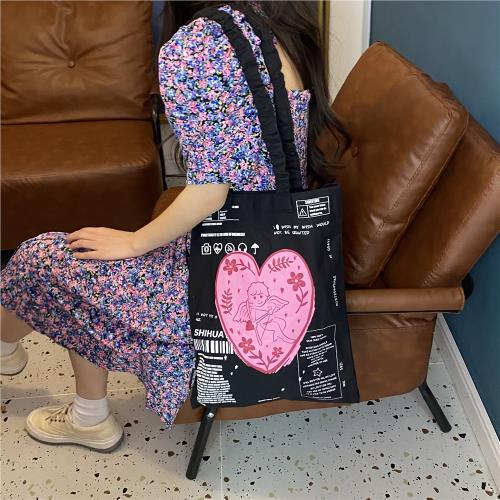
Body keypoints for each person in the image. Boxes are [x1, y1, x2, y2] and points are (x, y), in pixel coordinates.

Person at [0, 1, 350, 452]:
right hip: (277, 261)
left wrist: (134, 243)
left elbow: (211, 191)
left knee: (51, 256)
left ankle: (55, 388)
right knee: (84, 254)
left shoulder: (200, 44)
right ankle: (58, 391)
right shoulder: (273, 24)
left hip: (220, 288)